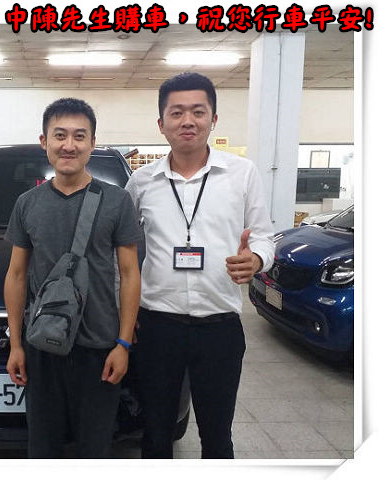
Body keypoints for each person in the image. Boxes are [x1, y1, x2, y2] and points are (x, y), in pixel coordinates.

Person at [125, 72, 275, 459]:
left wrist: (256, 259)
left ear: (213, 119)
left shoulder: (242, 174)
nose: (187, 121)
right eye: (176, 113)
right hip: (157, 326)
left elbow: (263, 236)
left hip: (219, 327)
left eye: (198, 111)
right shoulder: (141, 182)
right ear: (161, 124)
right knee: (156, 434)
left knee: (217, 436)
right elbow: (122, 252)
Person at [4, 97, 141, 458]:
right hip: (42, 346)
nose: (69, 145)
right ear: (44, 141)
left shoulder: (117, 201)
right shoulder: (27, 203)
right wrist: (16, 344)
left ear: (92, 143)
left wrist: (123, 344)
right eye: (60, 135)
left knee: (95, 448)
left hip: (99, 348)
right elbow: (16, 275)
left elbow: (130, 274)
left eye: (80, 136)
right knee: (43, 447)